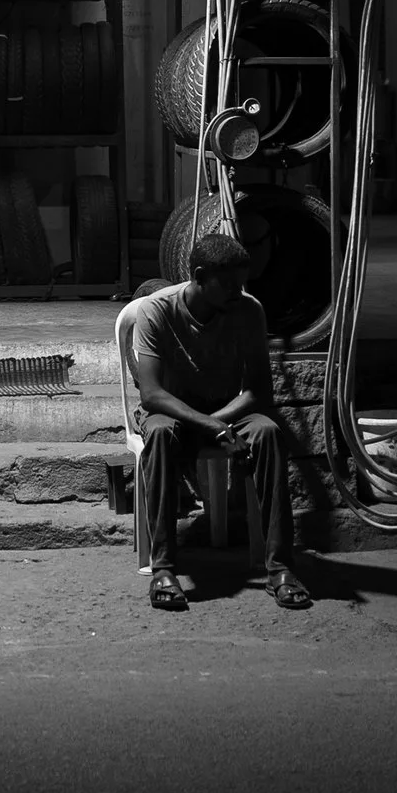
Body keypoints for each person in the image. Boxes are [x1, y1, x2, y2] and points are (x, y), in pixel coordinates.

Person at [127, 232, 311, 611]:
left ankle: (280, 568)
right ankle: (163, 569)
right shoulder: (155, 310)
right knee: (159, 434)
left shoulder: (248, 310)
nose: (236, 292)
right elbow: (152, 395)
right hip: (171, 412)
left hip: (226, 411)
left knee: (268, 432)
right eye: (227, 284)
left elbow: (258, 393)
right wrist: (210, 427)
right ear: (197, 275)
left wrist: (216, 421)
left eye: (241, 284)